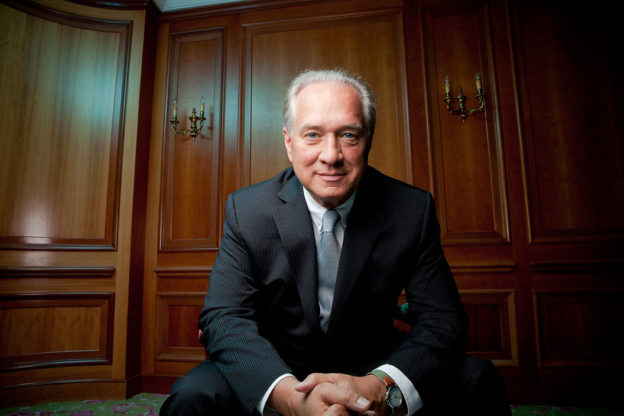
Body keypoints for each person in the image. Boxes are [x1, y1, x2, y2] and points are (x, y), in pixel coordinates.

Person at [160, 69, 510, 416]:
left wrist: (377, 387)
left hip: (371, 364)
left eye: (348, 135)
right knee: (193, 396)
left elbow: (443, 321)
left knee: (478, 379)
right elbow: (224, 316)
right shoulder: (248, 209)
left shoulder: (410, 210)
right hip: (277, 364)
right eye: (312, 134)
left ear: (368, 138)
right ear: (288, 141)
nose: (331, 155)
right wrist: (290, 400)